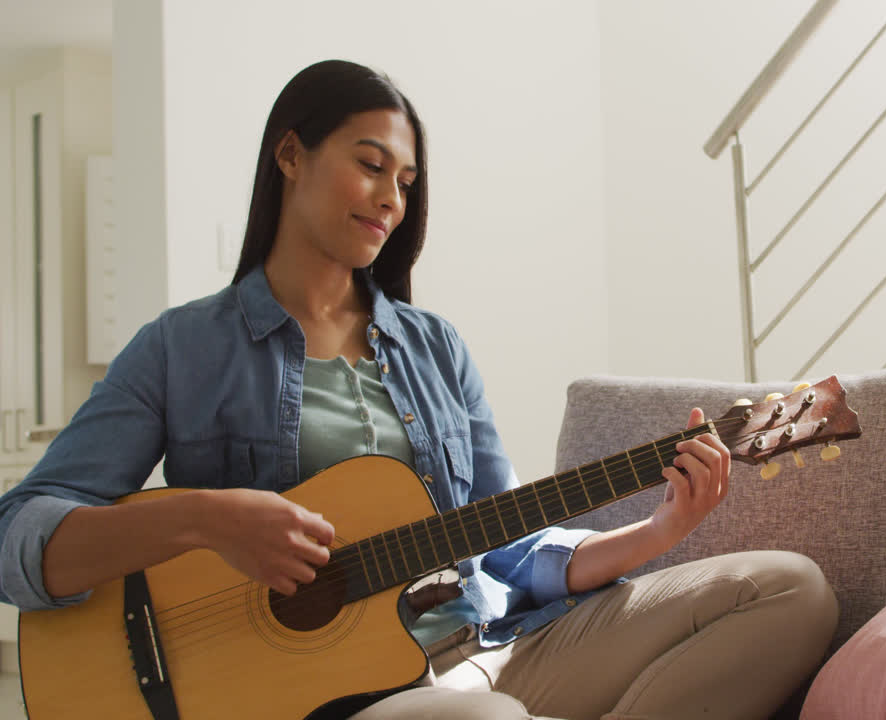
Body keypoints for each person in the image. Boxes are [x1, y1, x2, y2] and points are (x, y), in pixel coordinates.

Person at [0, 59, 837, 720]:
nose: (392, 200)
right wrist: (209, 519)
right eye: (371, 167)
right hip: (340, 694)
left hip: (492, 650)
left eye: (406, 182)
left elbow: (504, 539)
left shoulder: (435, 349)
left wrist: (659, 531)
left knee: (789, 590)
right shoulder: (184, 348)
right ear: (290, 154)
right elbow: (20, 538)